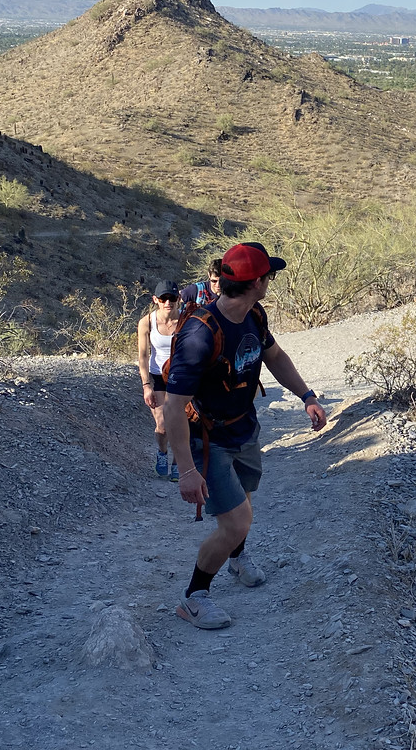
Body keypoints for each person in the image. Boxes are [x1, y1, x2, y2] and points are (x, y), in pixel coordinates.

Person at [162, 242, 328, 630]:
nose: (271, 280)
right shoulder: (200, 335)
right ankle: (193, 597)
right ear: (256, 282)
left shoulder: (254, 313)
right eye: (269, 275)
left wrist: (307, 396)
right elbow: (173, 407)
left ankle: (236, 557)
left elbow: (274, 357)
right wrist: (186, 471)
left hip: (245, 427)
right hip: (210, 438)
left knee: (244, 507)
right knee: (237, 521)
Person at [137, 279, 181, 480]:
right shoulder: (147, 322)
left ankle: (178, 463)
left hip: (181, 376)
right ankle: (162, 453)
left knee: (182, 422)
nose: (167, 303)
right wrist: (146, 385)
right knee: (162, 425)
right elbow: (143, 355)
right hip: (157, 377)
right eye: (163, 298)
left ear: (178, 299)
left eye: (171, 298)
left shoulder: (185, 320)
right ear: (156, 300)